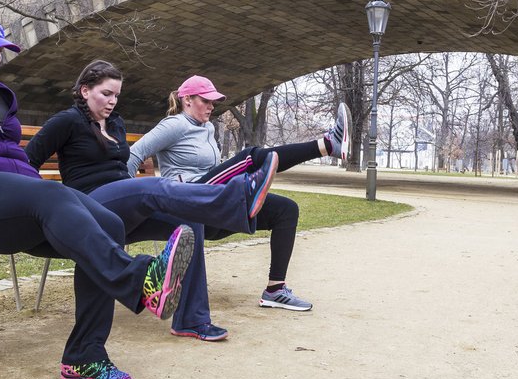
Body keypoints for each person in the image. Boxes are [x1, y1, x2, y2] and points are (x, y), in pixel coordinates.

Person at [0, 13, 262, 379]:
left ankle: (85, 357)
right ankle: (140, 282)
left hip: (14, 203)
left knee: (108, 224)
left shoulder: (3, 96)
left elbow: (18, 163)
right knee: (51, 193)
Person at [25, 60, 280, 342]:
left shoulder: (116, 123)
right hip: (89, 204)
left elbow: (122, 166)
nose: (112, 101)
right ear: (85, 91)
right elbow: (27, 162)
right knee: (153, 187)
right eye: (106, 94)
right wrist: (47, 206)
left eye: (117, 95)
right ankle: (236, 197)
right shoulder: (66, 122)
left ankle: (191, 320)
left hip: (120, 203)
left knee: (188, 219)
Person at [127, 75, 350, 312]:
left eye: (214, 102)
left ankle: (275, 290)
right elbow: (133, 155)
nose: (212, 107)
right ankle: (327, 145)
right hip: (187, 201)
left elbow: (211, 169)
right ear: (187, 100)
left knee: (286, 210)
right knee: (249, 158)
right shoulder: (173, 125)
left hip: (213, 207)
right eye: (206, 101)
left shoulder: (207, 128)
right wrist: (129, 201)